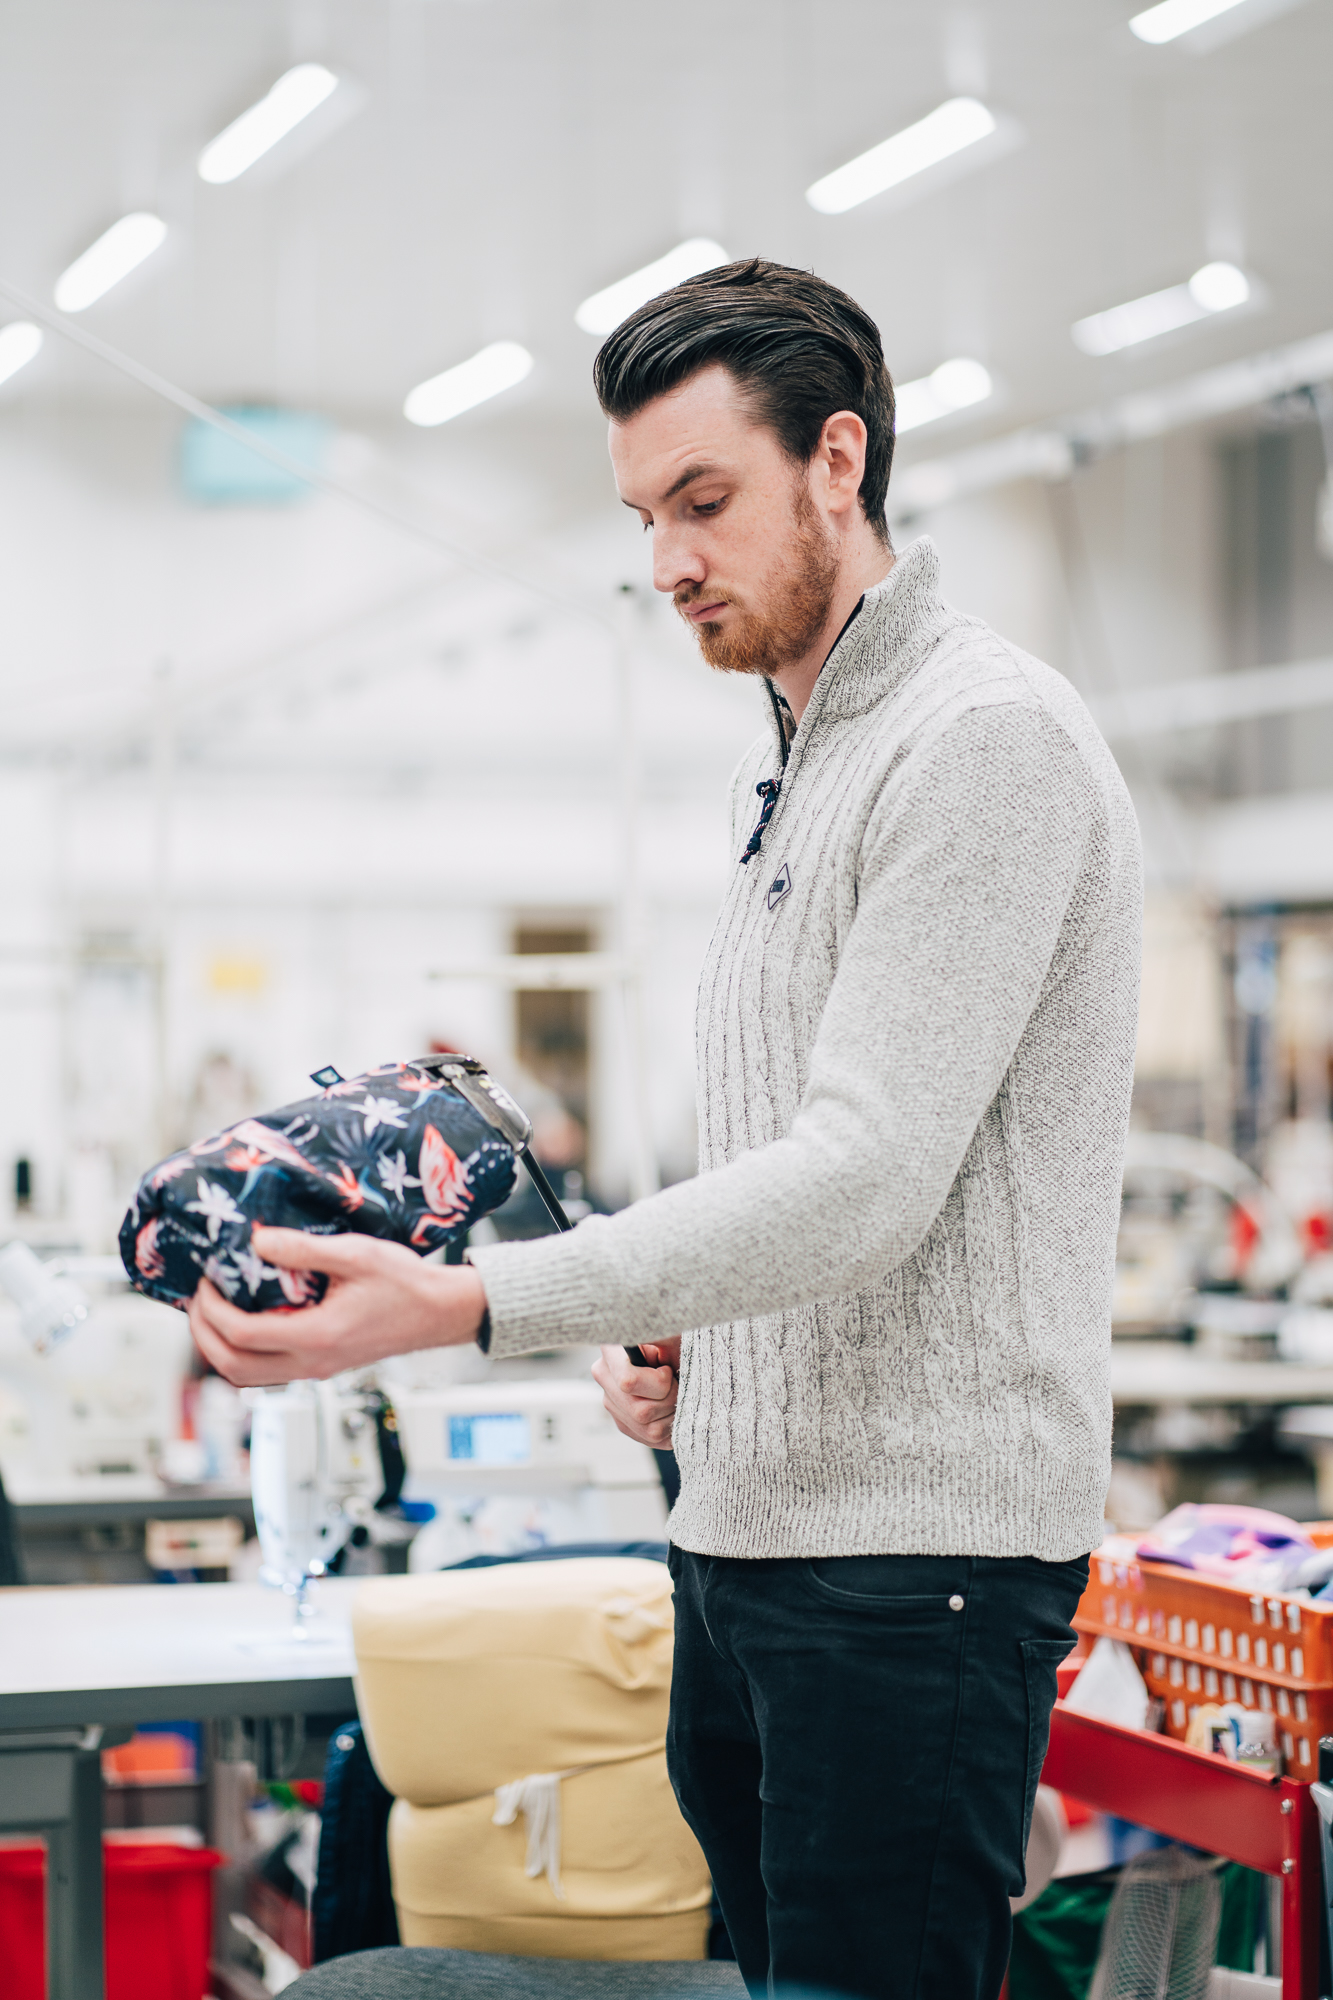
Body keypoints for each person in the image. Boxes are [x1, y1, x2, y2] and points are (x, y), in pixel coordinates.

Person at [188, 260, 1142, 2000]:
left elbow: (861, 1176)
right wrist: (703, 1338)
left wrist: (473, 1302)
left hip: (911, 1566)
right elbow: (809, 1183)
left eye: (702, 503)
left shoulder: (977, 743)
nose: (666, 564)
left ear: (836, 462)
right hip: (747, 1538)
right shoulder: (799, 763)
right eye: (643, 517)